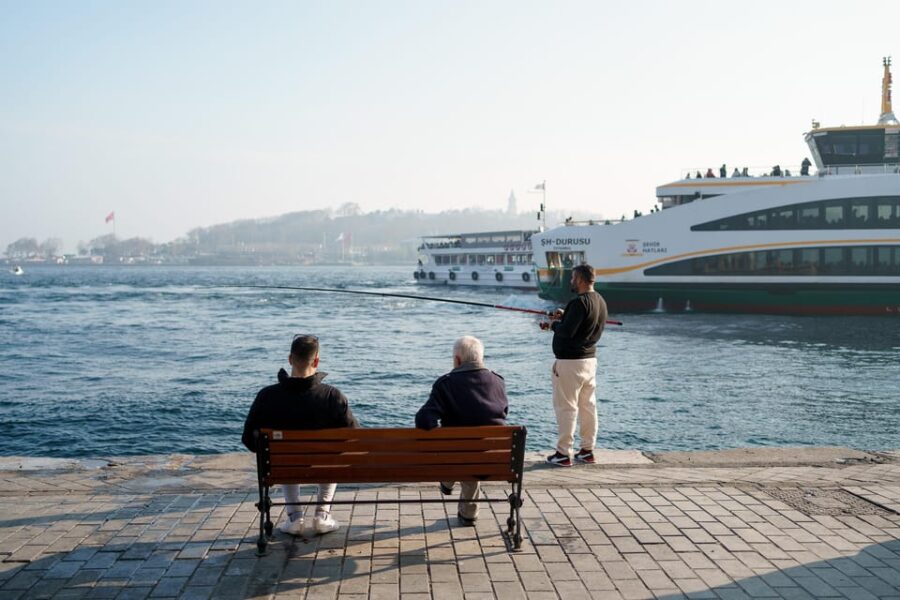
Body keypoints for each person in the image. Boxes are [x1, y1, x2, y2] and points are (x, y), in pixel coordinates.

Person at [242, 334, 358, 536]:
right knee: (331, 456)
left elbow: (248, 440)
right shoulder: (333, 396)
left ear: (290, 359)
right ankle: (322, 515)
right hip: (325, 466)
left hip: (283, 468)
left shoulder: (267, 396)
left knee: (285, 456)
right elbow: (354, 436)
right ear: (317, 361)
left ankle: (295, 517)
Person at [415, 336, 508, 525]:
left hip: (458, 456)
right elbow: (503, 413)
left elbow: (424, 420)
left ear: (457, 360)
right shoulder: (498, 381)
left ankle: (448, 480)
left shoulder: (446, 383)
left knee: (460, 452)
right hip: (492, 457)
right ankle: (468, 513)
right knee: (473, 451)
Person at [539, 264, 608, 467]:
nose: (571, 281)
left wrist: (552, 324)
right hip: (589, 361)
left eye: (572, 278)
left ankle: (563, 453)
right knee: (588, 406)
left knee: (566, 407)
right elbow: (580, 324)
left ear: (579, 279)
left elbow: (567, 331)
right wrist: (563, 315)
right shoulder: (600, 301)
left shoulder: (579, 302)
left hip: (570, 363)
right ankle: (587, 450)